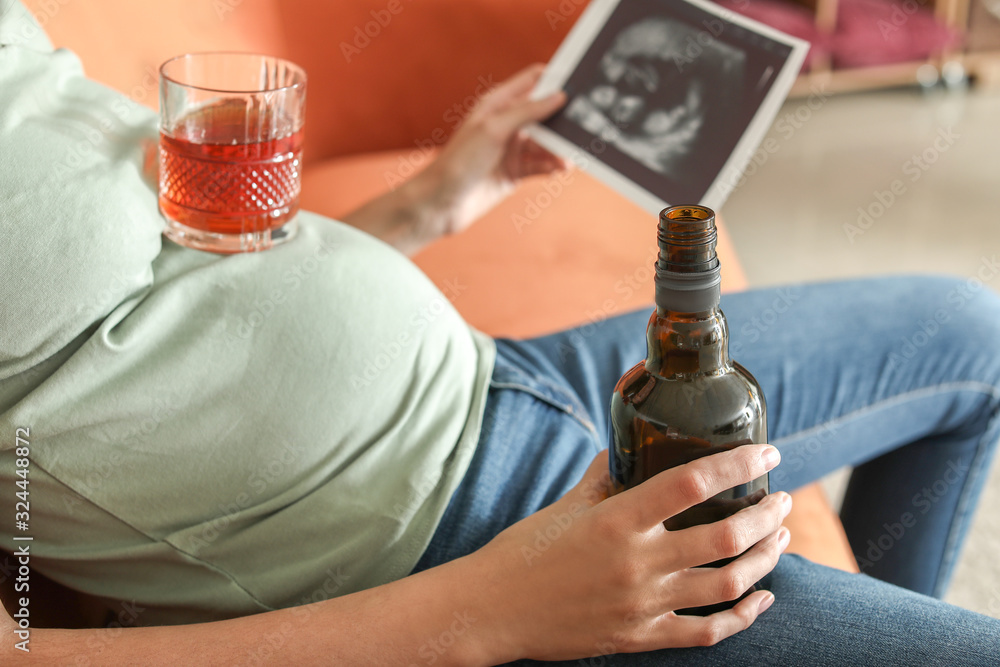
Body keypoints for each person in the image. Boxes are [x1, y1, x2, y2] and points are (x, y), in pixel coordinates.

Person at [3, 3, 1000, 665]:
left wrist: (440, 197)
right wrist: (490, 609)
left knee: (970, 332)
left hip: (499, 376)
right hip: (446, 543)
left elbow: (192, 275)